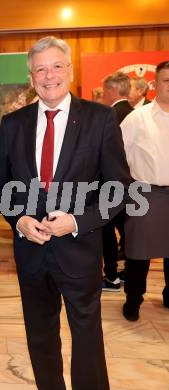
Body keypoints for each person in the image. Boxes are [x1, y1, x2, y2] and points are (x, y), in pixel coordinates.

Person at [0, 36, 131, 390]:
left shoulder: (99, 119)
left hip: (80, 249)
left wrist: (76, 221)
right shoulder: (13, 124)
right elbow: (3, 187)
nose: (49, 75)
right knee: (40, 338)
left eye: (56, 66)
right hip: (30, 253)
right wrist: (19, 220)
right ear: (31, 76)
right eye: (40, 68)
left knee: (87, 339)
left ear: (70, 70)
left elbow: (118, 188)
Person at [120, 60, 169, 321]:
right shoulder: (138, 118)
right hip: (146, 194)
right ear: (155, 84)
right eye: (167, 80)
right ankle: (133, 300)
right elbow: (117, 155)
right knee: (138, 253)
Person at [101, 71, 134, 291]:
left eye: (104, 91)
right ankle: (129, 274)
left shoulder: (107, 116)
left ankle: (111, 276)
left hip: (110, 185)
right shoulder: (138, 113)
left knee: (106, 232)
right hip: (135, 184)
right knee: (128, 233)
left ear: (112, 91)